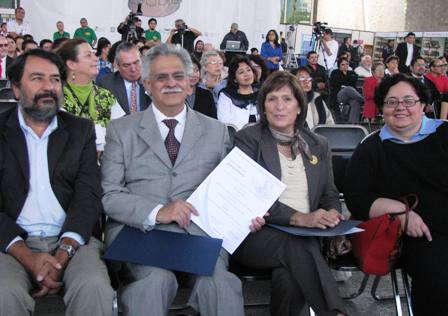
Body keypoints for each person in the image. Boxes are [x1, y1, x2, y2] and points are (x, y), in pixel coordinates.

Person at [101, 43, 246, 316]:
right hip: (141, 233)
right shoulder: (121, 130)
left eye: (178, 76)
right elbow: (110, 195)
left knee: (219, 282)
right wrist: (157, 212)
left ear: (191, 83)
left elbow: (230, 190)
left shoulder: (217, 132)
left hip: (199, 234)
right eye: (161, 77)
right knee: (154, 281)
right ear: (146, 84)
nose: (171, 83)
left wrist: (245, 214)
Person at [0, 48, 114, 316]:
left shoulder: (79, 130)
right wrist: (27, 257)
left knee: (94, 286)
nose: (49, 87)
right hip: (9, 242)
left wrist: (63, 251)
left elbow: (88, 195)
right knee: (4, 292)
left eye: (55, 79)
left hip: (73, 239)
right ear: (16, 88)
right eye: (37, 78)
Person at [233, 71, 347, 316]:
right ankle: (334, 312)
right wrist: (300, 218)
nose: (279, 107)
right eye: (272, 99)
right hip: (258, 234)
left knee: (291, 275)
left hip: (308, 235)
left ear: (299, 106)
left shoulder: (318, 144)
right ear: (263, 106)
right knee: (296, 245)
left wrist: (332, 214)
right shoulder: (248, 139)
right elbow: (249, 196)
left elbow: (329, 193)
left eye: (286, 99)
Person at [344, 73, 448, 316]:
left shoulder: (444, 135)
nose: (400, 107)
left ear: (422, 104)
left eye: (409, 101)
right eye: (392, 102)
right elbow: (356, 197)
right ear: (382, 108)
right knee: (439, 280)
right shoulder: (371, 147)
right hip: (419, 236)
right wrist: (401, 213)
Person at [55, 39, 117, 151]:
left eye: (94, 54)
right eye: (88, 55)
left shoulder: (106, 96)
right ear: (71, 64)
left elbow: (120, 134)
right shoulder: (56, 98)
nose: (96, 58)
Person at [97, 41, 151, 116]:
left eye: (136, 62)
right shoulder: (106, 84)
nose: (133, 69)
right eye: (127, 65)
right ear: (117, 66)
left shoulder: (153, 81)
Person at [217, 55, 259, 129]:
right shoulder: (226, 95)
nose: (247, 74)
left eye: (249, 70)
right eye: (241, 72)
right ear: (234, 79)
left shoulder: (262, 92)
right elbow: (224, 121)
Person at [329, 57, 363, 123]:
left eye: (347, 64)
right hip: (339, 95)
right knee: (348, 88)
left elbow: (354, 80)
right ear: (339, 65)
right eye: (343, 64)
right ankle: (363, 100)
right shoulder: (335, 73)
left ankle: (352, 123)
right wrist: (346, 83)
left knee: (355, 102)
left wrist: (344, 83)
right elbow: (337, 83)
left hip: (351, 96)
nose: (345, 66)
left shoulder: (352, 73)